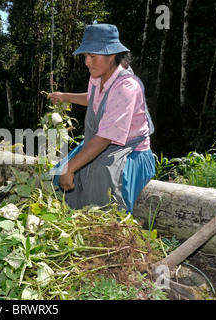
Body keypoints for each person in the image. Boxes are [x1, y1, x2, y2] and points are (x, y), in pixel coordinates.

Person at [49, 24, 155, 213]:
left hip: (130, 152)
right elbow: (94, 99)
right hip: (102, 143)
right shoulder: (97, 77)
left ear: (111, 55)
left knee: (100, 191)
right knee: (58, 176)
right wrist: (64, 96)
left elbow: (105, 137)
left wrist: (71, 168)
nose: (87, 63)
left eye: (93, 56)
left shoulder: (126, 88)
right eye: (86, 56)